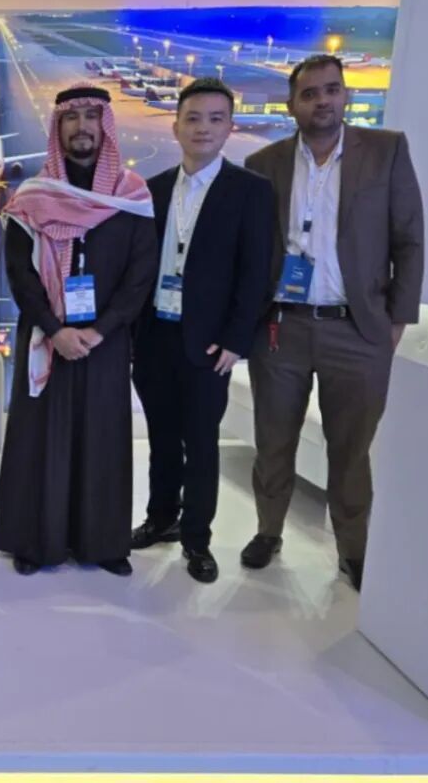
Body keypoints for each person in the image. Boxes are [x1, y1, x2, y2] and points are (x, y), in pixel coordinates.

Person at [242, 55, 424, 591]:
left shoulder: (387, 151)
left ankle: (354, 550)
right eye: (310, 93)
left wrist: (396, 321)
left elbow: (409, 239)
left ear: (346, 95)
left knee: (351, 451)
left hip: (358, 329)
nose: (322, 100)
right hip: (282, 328)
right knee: (273, 441)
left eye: (332, 90)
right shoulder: (263, 163)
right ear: (292, 104)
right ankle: (268, 531)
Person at [0, 83, 157, 577]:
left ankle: (102, 543)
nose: (82, 127)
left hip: (105, 342)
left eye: (91, 116)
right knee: (41, 438)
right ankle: (35, 542)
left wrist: (100, 330)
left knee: (102, 438)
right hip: (47, 338)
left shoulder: (132, 196)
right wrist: (55, 329)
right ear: (58, 127)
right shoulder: (33, 197)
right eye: (71, 117)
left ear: (104, 125)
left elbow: (140, 275)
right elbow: (19, 273)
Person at [130, 78, 273, 583]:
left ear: (230, 127)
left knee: (201, 443)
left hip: (209, 343)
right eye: (192, 118)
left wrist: (236, 340)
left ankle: (197, 539)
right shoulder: (153, 189)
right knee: (162, 438)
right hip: (155, 335)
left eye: (215, 119)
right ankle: (160, 518)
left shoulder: (251, 191)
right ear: (176, 127)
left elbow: (257, 273)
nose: (203, 128)